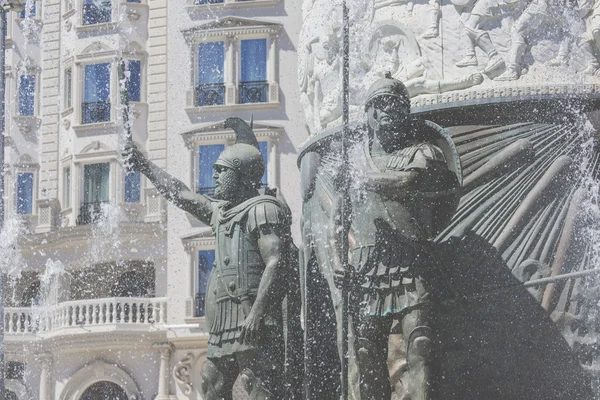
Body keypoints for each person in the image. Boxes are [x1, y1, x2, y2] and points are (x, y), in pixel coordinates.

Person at [123, 118, 292, 399]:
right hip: (224, 319)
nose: (214, 176)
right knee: (212, 386)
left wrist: (257, 313)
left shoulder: (263, 209)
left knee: (261, 388)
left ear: (241, 175)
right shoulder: (220, 213)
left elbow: (276, 261)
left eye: (221, 171)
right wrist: (144, 166)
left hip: (254, 314)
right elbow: (180, 194)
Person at [331, 73, 460, 400]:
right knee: (364, 353)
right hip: (364, 267)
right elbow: (338, 218)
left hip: (412, 262)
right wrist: (338, 261)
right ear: (369, 114)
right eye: (380, 104)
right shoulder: (352, 161)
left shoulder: (426, 153)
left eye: (395, 103)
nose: (388, 110)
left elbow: (406, 183)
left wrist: (360, 179)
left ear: (406, 112)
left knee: (420, 344)